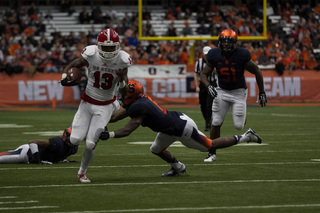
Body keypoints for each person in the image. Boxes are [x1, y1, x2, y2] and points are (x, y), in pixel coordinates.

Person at [99, 80, 262, 177]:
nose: (122, 96)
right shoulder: (138, 102)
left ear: (132, 96)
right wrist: (102, 119)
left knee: (209, 146)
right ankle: (178, 167)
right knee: (156, 148)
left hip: (181, 128)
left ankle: (246, 136)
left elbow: (128, 129)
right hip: (171, 125)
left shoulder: (139, 107)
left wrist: (110, 134)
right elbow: (114, 117)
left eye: (125, 94)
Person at [60, 28, 132, 183]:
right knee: (74, 140)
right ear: (99, 46)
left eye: (111, 47)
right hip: (87, 102)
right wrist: (65, 76)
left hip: (105, 105)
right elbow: (74, 64)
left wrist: (121, 81)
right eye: (105, 47)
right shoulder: (91, 54)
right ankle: (81, 131)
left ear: (117, 46)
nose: (108, 51)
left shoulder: (122, 60)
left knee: (90, 143)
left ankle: (81, 173)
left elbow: (124, 93)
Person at [200, 29, 267, 163]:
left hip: (239, 92)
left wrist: (262, 92)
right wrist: (208, 86)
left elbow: (257, 71)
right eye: (223, 42)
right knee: (216, 122)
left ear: (234, 43)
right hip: (222, 91)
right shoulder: (213, 54)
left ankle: (248, 132)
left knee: (238, 126)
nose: (225, 45)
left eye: (228, 42)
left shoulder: (242, 54)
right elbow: (203, 74)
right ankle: (211, 153)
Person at [0, 126, 78, 164]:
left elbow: (58, 153)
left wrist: (64, 159)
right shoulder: (58, 142)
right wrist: (39, 161)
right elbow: (32, 142)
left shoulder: (74, 149)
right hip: (26, 154)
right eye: (71, 136)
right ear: (65, 136)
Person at [194, 46, 217, 131]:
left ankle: (208, 125)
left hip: (212, 84)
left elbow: (217, 73)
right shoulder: (199, 62)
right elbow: (196, 74)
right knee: (202, 105)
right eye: (206, 55)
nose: (207, 56)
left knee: (209, 105)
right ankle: (208, 120)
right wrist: (197, 86)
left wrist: (213, 66)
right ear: (203, 54)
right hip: (203, 85)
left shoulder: (214, 61)